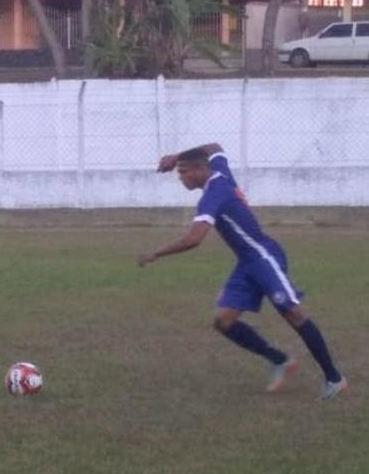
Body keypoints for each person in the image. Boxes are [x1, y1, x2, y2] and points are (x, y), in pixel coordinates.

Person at [137, 143, 347, 400]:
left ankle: (334, 378)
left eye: (183, 172)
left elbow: (195, 238)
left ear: (201, 169)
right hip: (247, 263)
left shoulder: (213, 194)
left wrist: (156, 253)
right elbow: (214, 146)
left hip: (264, 257)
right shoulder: (220, 172)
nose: (180, 177)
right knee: (223, 321)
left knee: (293, 313)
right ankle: (280, 360)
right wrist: (177, 157)